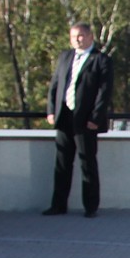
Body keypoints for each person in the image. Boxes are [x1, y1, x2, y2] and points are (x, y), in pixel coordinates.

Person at [44, 21, 113, 218]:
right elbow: (55, 85)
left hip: (86, 121)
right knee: (62, 163)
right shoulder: (65, 57)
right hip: (64, 117)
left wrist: (95, 118)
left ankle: (90, 207)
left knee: (87, 163)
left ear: (91, 37)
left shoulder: (101, 60)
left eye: (81, 36)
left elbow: (104, 92)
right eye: (74, 36)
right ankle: (58, 205)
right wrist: (51, 111)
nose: (77, 40)